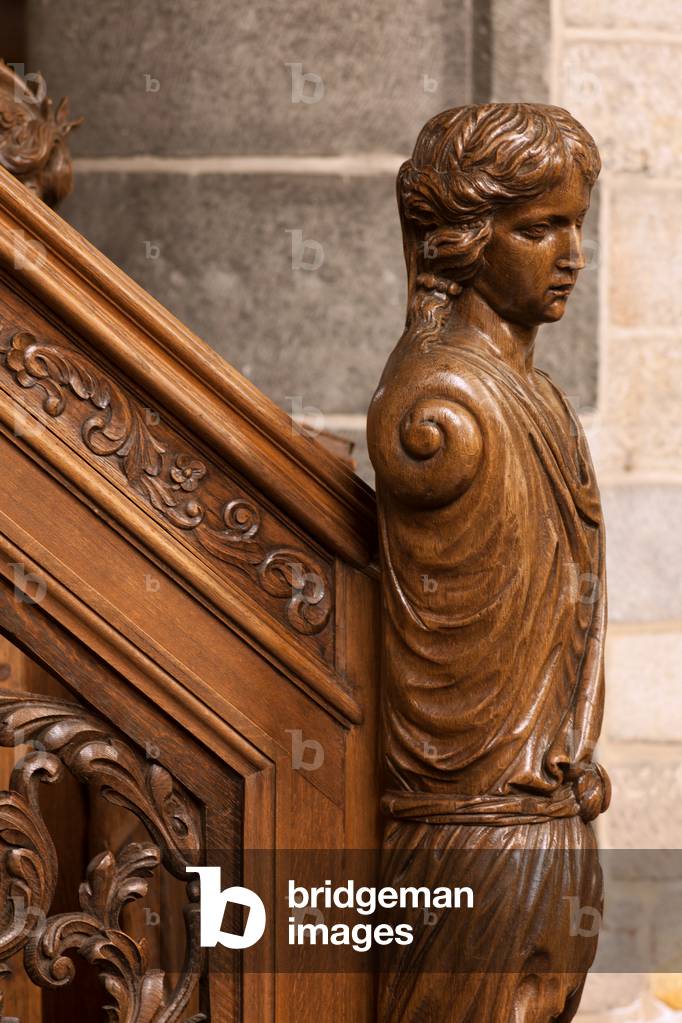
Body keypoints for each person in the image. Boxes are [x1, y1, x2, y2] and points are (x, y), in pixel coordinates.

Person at [368, 103, 611, 1022]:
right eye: (540, 227)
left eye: (576, 224)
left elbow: (571, 600)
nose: (572, 254)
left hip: (548, 805)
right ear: (460, 241)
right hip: (476, 830)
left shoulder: (531, 394)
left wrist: (575, 746)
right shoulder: (443, 397)